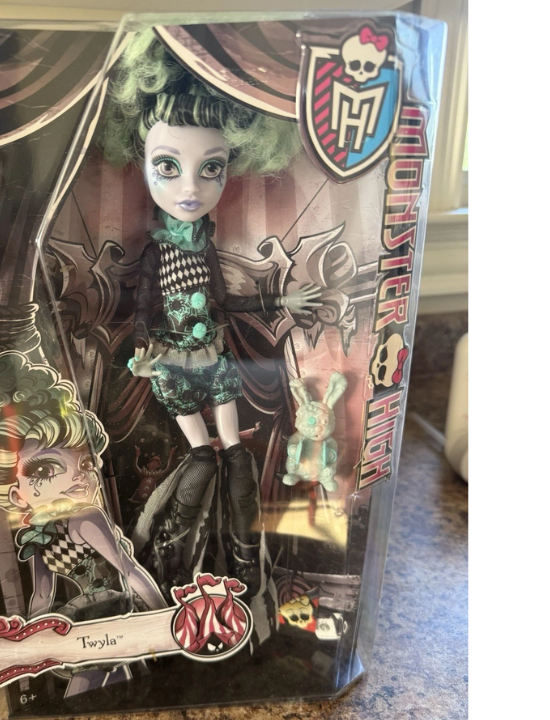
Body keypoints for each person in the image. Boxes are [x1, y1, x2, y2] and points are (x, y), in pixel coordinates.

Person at [101, 31, 332, 597]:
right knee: (202, 455)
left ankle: (247, 561)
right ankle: (170, 563)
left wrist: (282, 301)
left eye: (211, 168)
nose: (190, 188)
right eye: (167, 166)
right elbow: (142, 309)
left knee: (236, 455)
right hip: (173, 365)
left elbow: (225, 302)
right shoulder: (157, 252)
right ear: (142, 163)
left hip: (213, 358)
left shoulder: (203, 246)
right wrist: (143, 351)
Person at [0, 351, 166, 695]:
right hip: (89, 615)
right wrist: (31, 638)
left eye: (84, 464)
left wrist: (166, 620)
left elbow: (128, 570)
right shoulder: (38, 537)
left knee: (88, 680)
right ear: (15, 496)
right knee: (112, 681)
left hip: (111, 608)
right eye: (43, 470)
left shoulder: (86, 518)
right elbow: (42, 595)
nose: (77, 476)